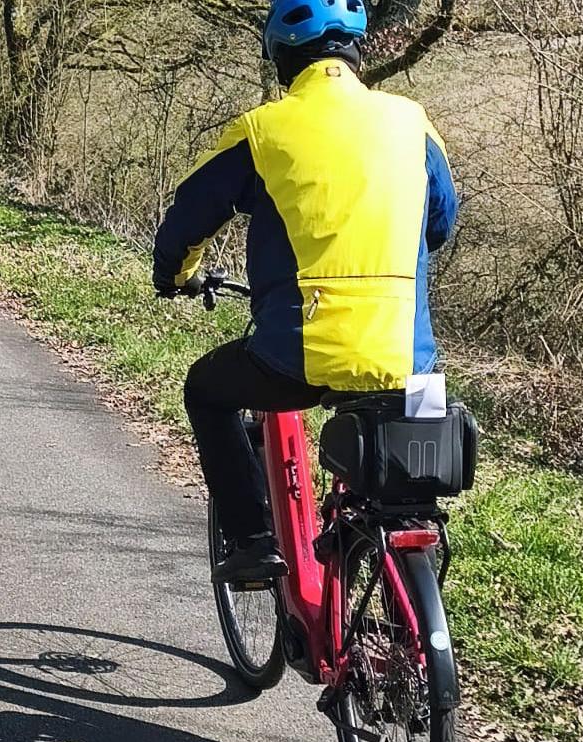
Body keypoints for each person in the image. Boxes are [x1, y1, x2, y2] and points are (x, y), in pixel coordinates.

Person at [152, 0, 458, 583]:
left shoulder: (262, 130)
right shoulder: (413, 121)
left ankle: (251, 542)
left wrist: (175, 275)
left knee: (206, 390)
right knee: (404, 492)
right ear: (357, 50)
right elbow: (440, 224)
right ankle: (395, 568)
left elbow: (187, 219)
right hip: (410, 361)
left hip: (294, 359)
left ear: (281, 58)